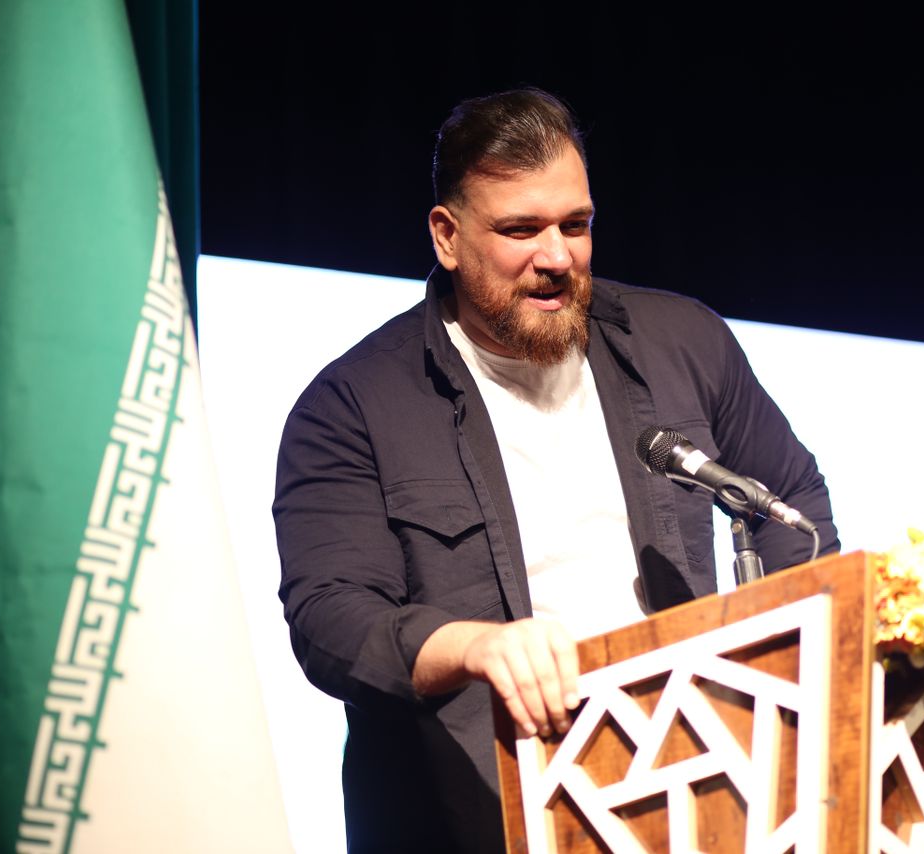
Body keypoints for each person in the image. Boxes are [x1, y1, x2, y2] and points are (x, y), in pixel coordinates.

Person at [272, 88, 839, 852]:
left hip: (693, 782)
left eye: (576, 225)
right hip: (481, 814)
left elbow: (789, 498)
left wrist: (773, 667)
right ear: (447, 236)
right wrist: (474, 647)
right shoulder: (351, 406)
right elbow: (331, 620)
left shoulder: (684, 342)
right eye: (521, 230)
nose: (557, 258)